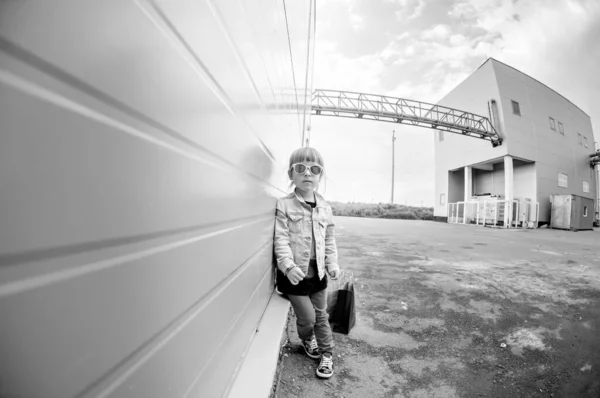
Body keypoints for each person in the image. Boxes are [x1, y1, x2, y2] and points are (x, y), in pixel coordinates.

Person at [274, 146, 340, 379]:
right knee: (308, 318)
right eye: (300, 168)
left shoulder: (325, 207)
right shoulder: (284, 205)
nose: (307, 173)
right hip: (295, 273)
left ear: (320, 175)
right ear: (291, 174)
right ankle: (306, 339)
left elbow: (329, 239)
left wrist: (332, 263)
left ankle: (327, 354)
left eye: (314, 169)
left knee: (321, 316)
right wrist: (288, 267)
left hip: (319, 273)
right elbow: (280, 240)